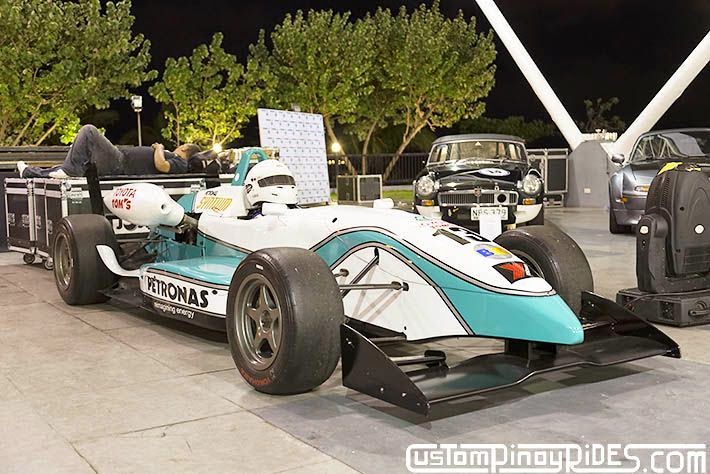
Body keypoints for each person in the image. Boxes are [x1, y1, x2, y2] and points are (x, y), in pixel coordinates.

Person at [17, 124, 201, 178]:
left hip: (119, 163)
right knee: (75, 163)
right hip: (119, 161)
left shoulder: (180, 162)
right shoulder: (177, 160)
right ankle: (29, 172)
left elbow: (161, 165)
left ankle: (69, 171)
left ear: (184, 148)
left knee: (89, 131)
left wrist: (159, 148)